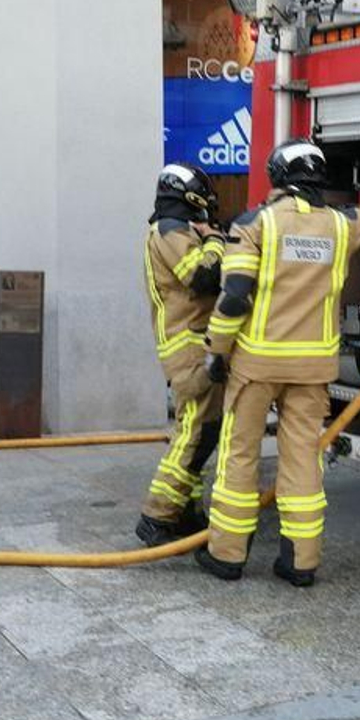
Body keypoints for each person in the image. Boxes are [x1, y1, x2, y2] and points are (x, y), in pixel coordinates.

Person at [197, 140, 360, 586]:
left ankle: (227, 555)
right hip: (313, 370)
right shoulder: (340, 225)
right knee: (302, 460)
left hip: (257, 365)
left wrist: (217, 350)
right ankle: (301, 563)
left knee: (240, 456)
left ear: (277, 176)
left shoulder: (255, 225)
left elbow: (234, 295)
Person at [135, 163, 226, 546]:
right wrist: (217, 240)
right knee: (195, 434)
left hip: (187, 346)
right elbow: (204, 278)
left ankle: (187, 511)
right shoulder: (172, 229)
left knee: (202, 432)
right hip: (189, 348)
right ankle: (157, 516)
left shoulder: (170, 229)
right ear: (189, 194)